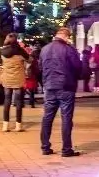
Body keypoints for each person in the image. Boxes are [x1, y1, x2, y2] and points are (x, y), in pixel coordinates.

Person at [39, 27, 84, 157]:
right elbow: (77, 67)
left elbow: (41, 67)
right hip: (66, 87)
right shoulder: (69, 49)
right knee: (66, 118)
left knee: (47, 117)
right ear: (66, 37)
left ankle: (45, 147)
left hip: (49, 87)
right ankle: (66, 149)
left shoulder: (45, 49)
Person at [0, 33, 29, 132]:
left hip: (7, 78)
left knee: (7, 101)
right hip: (19, 79)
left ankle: (5, 126)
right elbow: (30, 60)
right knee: (19, 102)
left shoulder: (2, 51)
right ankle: (18, 126)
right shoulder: (20, 51)